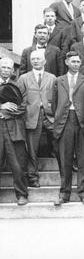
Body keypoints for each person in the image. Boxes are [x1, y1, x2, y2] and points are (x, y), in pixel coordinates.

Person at [52, 51, 84, 205]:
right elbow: (55, 103)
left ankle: (83, 192)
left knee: (82, 159)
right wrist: (59, 118)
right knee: (65, 159)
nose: (76, 64)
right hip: (65, 121)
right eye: (73, 61)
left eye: (78, 62)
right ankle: (64, 193)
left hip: (81, 121)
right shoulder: (59, 80)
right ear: (67, 62)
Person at [18, 50, 56, 188]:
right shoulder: (23, 78)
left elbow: (57, 98)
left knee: (60, 141)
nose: (35, 61)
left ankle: (63, 170)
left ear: (44, 61)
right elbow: (19, 98)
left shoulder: (52, 78)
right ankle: (32, 176)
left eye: (38, 59)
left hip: (49, 115)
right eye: (33, 59)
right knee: (32, 149)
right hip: (31, 116)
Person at [0, 57, 29, 205]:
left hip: (13, 128)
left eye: (8, 68)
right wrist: (1, 107)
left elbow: (23, 107)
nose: (5, 70)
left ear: (12, 71)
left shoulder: (18, 86)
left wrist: (6, 113)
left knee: (17, 164)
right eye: (3, 67)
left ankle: (21, 194)